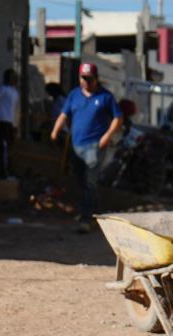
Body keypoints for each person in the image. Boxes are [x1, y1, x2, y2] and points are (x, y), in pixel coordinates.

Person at [50, 63, 122, 232]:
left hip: (95, 146)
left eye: (89, 79)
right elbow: (64, 114)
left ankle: (85, 219)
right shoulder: (74, 95)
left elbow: (118, 118)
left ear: (96, 79)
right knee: (83, 182)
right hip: (77, 146)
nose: (86, 82)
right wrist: (55, 131)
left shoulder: (106, 97)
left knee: (90, 182)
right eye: (83, 78)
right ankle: (97, 215)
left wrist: (107, 136)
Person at [0, 69, 19, 179]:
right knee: (3, 146)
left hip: (10, 122)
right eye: (11, 76)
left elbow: (16, 109)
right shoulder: (3, 89)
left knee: (10, 147)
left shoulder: (14, 91)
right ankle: (3, 172)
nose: (13, 79)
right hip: (1, 119)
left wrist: (15, 125)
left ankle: (9, 170)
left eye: (14, 77)